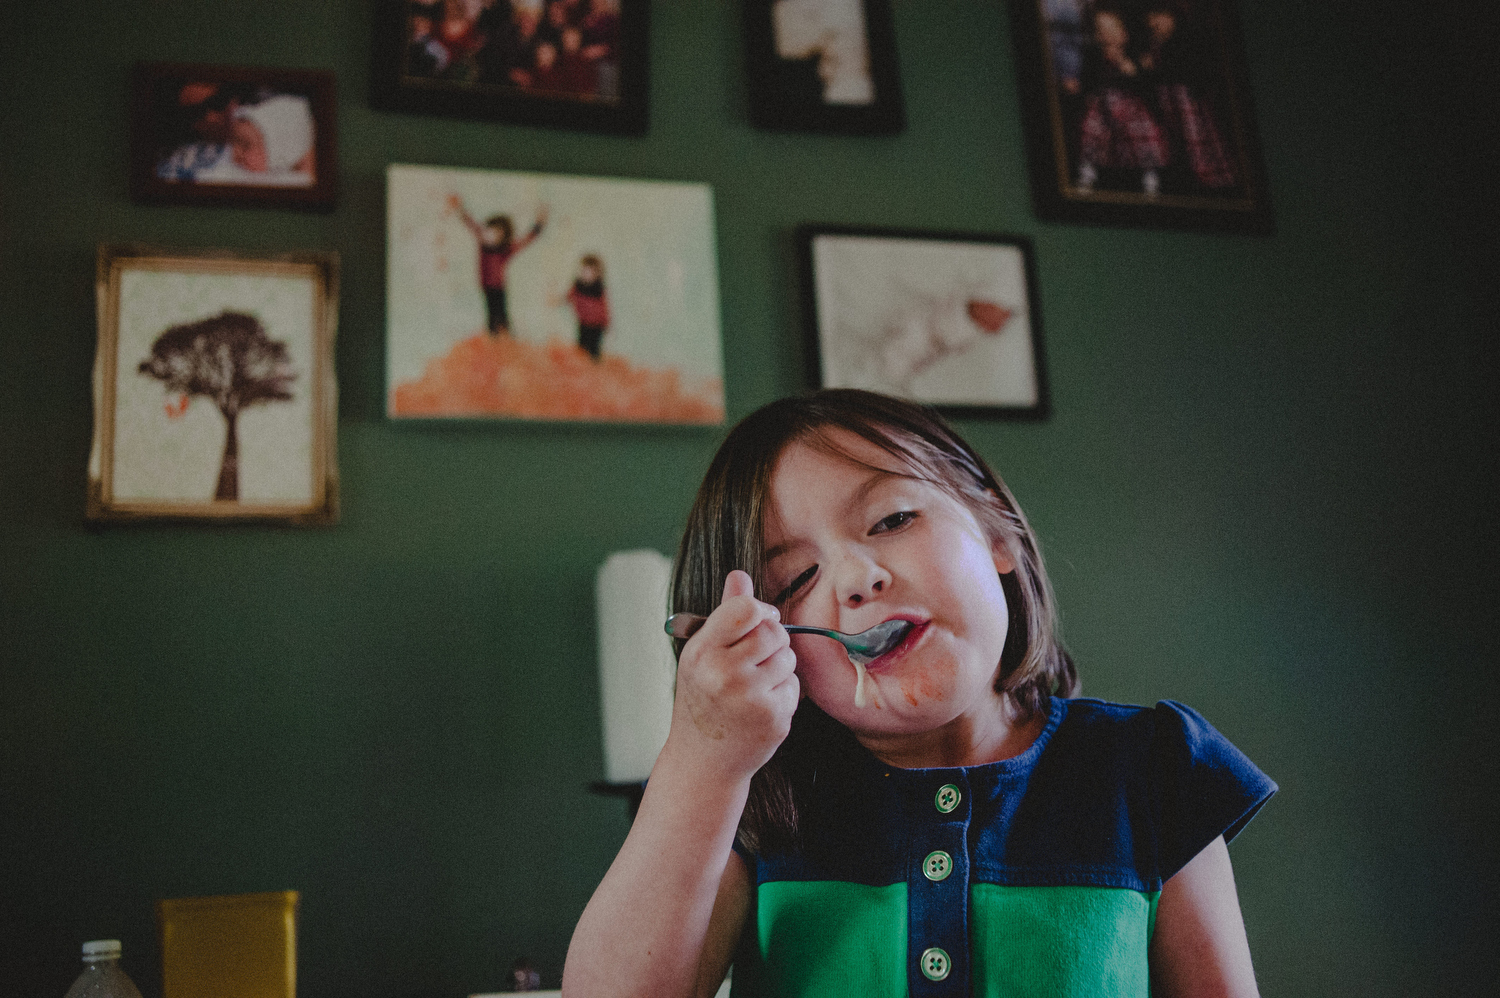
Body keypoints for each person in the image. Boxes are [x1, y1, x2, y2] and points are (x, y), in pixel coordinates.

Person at [563, 389, 1276, 997]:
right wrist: (703, 759)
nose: (856, 578)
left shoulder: (1152, 770)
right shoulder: (757, 804)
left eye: (892, 520)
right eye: (795, 581)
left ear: (999, 532)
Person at [448, 194, 548, 336]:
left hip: (498, 288)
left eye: (497, 234)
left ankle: (504, 339)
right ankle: (496, 338)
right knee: (492, 316)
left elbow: (525, 241)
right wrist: (459, 208)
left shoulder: (505, 251)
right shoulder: (482, 242)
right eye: (490, 231)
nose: (491, 236)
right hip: (486, 287)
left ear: (503, 237)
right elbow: (470, 223)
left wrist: (539, 225)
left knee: (501, 316)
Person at [550, 254, 610, 360]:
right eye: (583, 271)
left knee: (593, 349)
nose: (585, 274)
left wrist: (606, 322)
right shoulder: (577, 286)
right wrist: (557, 300)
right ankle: (583, 367)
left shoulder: (598, 290)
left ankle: (594, 367)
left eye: (589, 272)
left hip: (596, 325)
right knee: (582, 346)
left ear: (597, 274)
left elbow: (604, 308)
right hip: (583, 322)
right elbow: (568, 296)